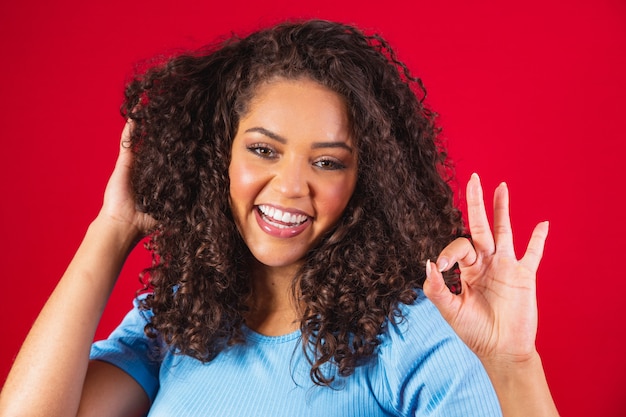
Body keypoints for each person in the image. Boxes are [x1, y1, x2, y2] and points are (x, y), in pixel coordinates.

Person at [0, 19, 559, 416]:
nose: (291, 187)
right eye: (264, 150)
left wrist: (513, 363)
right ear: (218, 154)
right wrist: (112, 229)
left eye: (326, 162)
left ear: (366, 180)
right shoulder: (179, 318)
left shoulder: (406, 335)